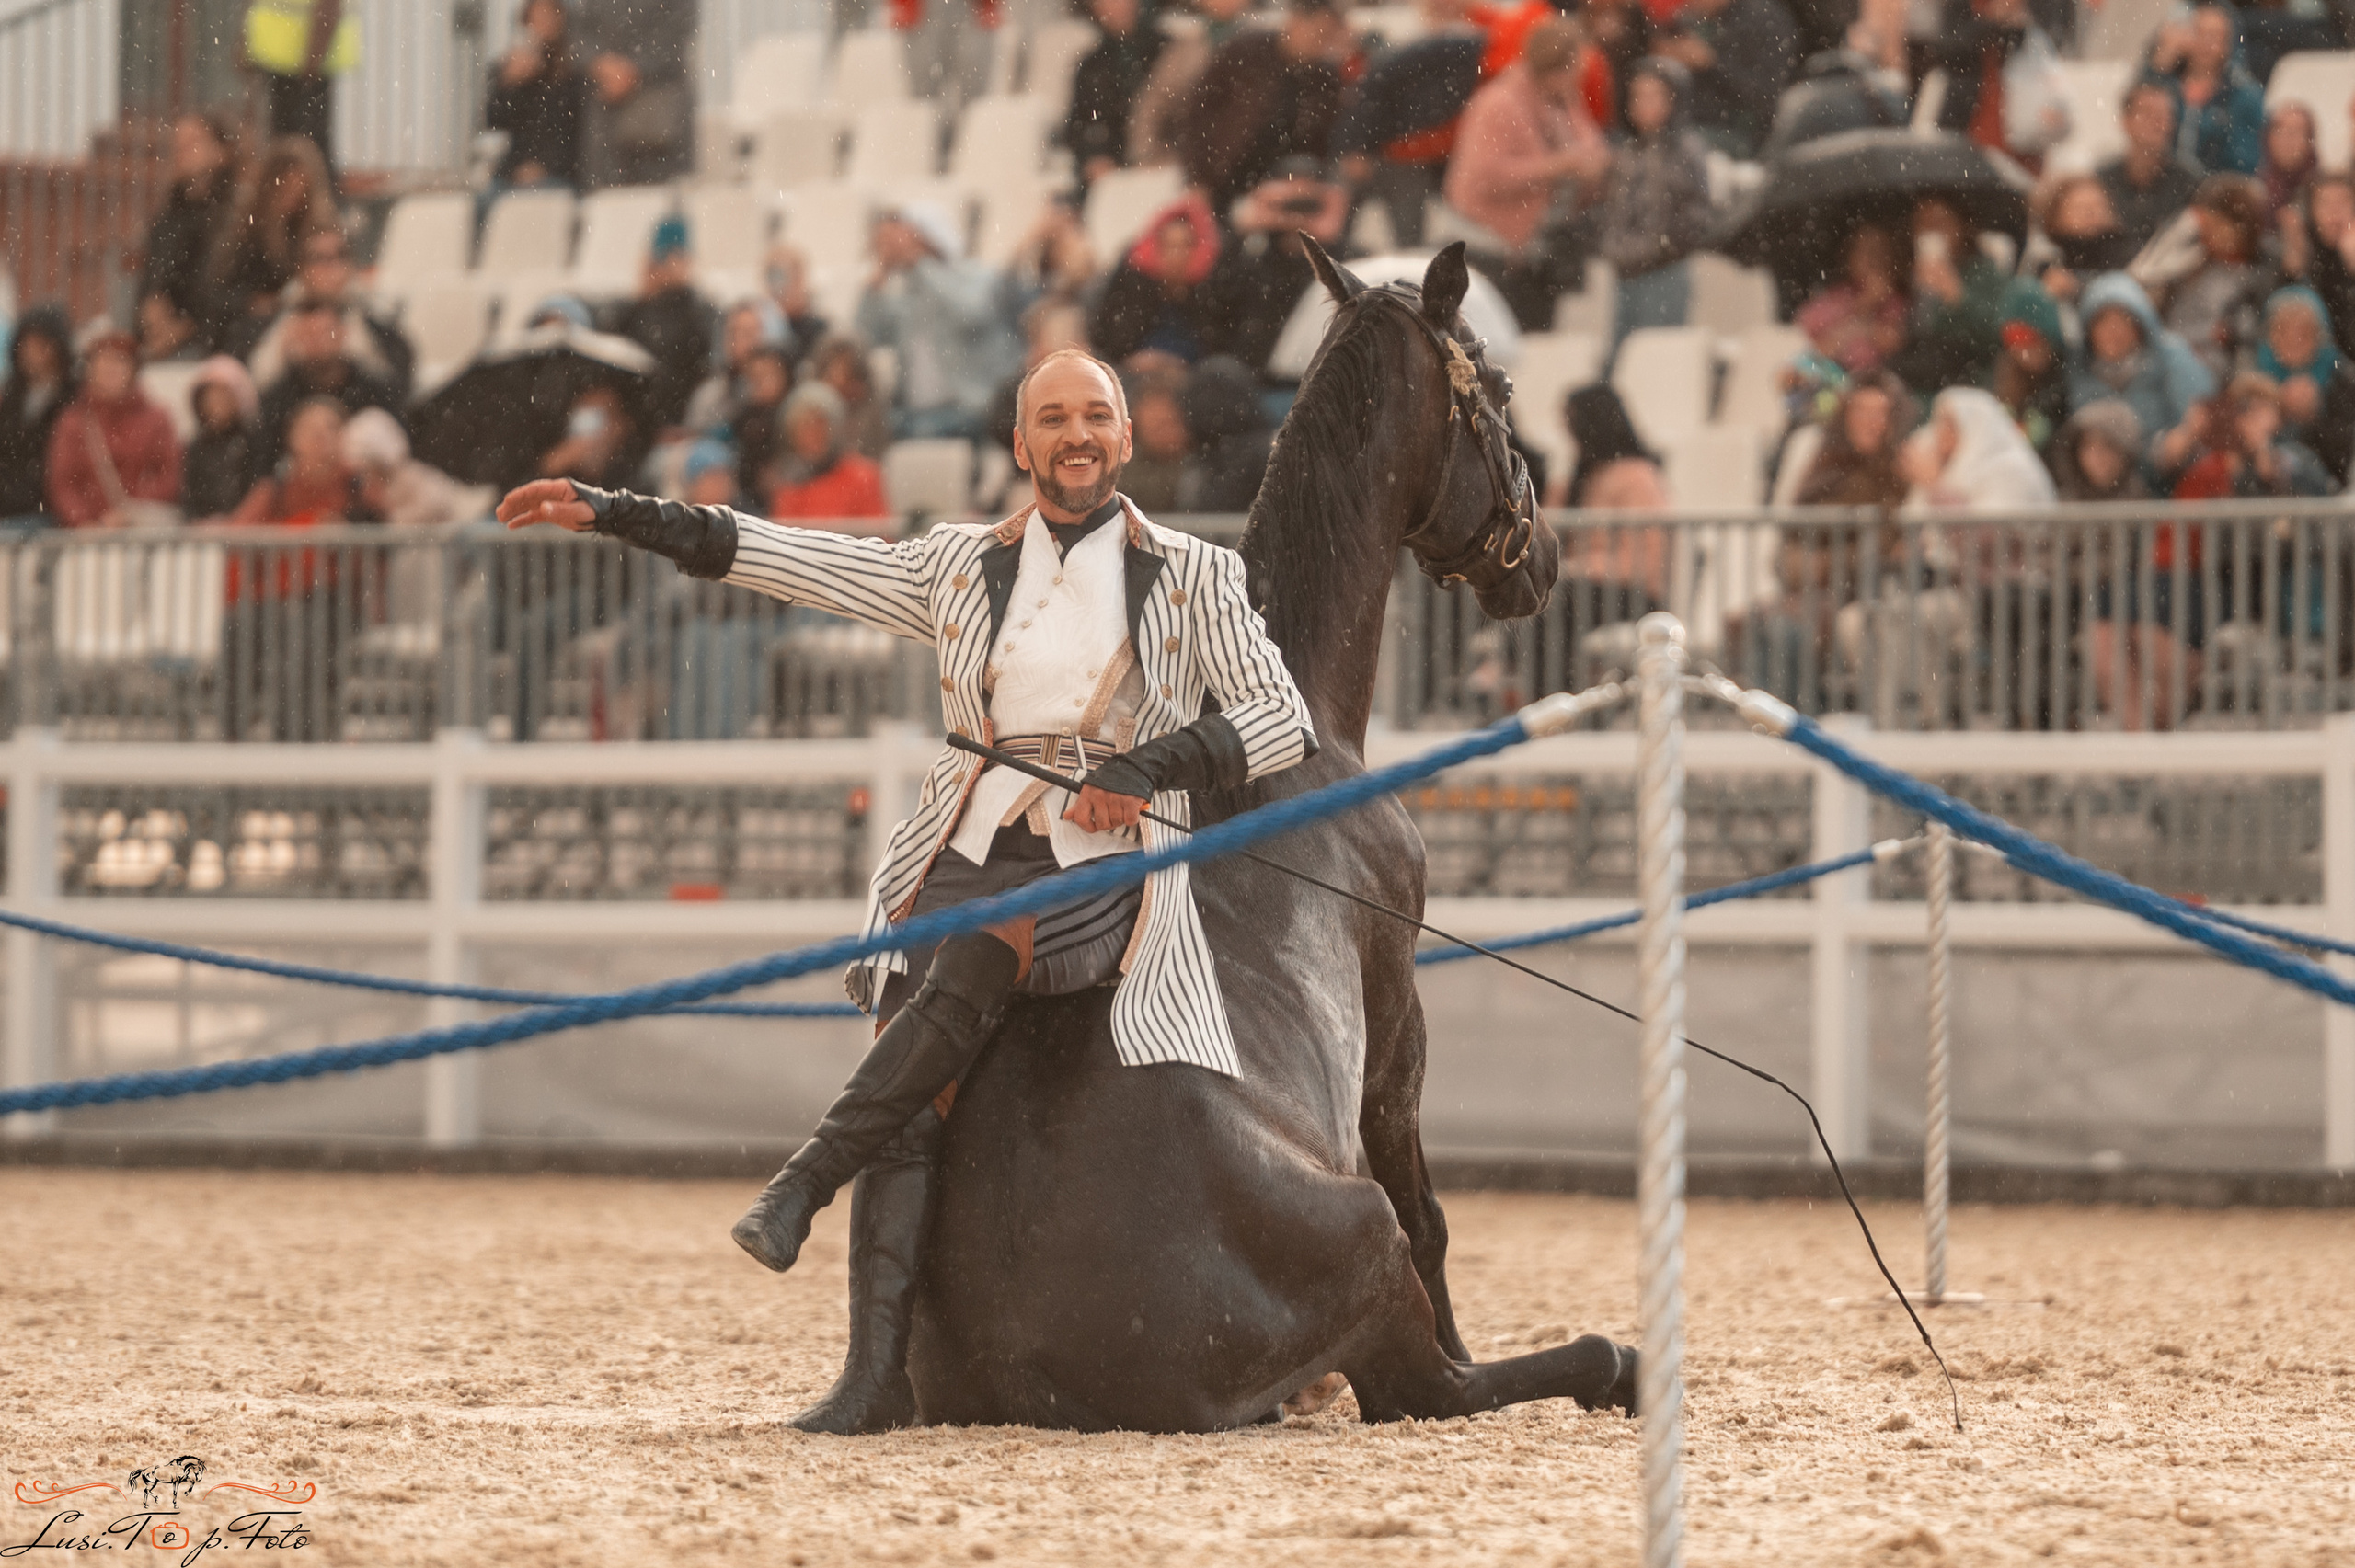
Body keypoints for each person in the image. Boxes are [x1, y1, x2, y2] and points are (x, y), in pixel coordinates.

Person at [495, 345, 1318, 1435]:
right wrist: (618, 513)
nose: (1076, 434)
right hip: (964, 839)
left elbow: (1282, 719)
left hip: (1108, 856)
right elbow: (789, 559)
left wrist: (1153, 764)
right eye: (1053, 418)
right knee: (912, 1064)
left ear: (1124, 435)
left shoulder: (1197, 573)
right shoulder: (957, 563)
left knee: (982, 940)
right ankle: (872, 1373)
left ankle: (804, 1179)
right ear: (1020, 444)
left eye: (1096, 414)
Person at [1441, 16, 1610, 325]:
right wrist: (1561, 165)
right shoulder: (1497, 104)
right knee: (1496, 342)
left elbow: (1591, 147)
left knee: (1538, 342)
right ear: (1557, 67)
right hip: (1490, 252)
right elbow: (1484, 179)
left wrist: (1591, 164)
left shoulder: (1560, 102)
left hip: (1537, 253)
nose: (1580, 75)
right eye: (1575, 67)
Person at [854, 202, 1023, 441]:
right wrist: (880, 275)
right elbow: (864, 337)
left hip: (971, 413)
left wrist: (918, 262)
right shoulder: (909, 297)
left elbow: (972, 314)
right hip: (913, 417)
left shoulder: (977, 275)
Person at [1175, 0, 1352, 211]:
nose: (1321, 44)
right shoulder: (1245, 52)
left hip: (1285, 184)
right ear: (1296, 22)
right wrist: (1198, 177)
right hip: (1226, 173)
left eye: (1328, 37)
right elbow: (1198, 112)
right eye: (1318, 34)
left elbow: (1326, 138)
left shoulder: (1324, 77)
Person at [1197, 158, 1356, 375]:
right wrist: (1246, 227)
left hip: (1319, 372)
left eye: (1307, 203)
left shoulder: (1346, 258)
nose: (1296, 213)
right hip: (1254, 370)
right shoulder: (1250, 254)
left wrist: (1331, 232)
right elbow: (1213, 303)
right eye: (1287, 202)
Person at [1596, 59, 1713, 352]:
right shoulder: (1628, 152)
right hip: (1625, 271)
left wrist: (1664, 247)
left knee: (1658, 351)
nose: (1642, 106)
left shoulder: (1685, 151)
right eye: (1637, 97)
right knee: (1622, 352)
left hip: (1664, 270)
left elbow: (1696, 214)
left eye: (1652, 97)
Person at [203, 136, 338, 358]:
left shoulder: (318, 235)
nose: (293, 199)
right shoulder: (246, 234)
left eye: (300, 192)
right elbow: (217, 292)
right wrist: (252, 302)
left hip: (304, 327)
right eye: (286, 190)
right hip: (254, 332)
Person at [245, 226, 417, 397]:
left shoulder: (377, 322)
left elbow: (396, 390)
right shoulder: (272, 324)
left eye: (339, 256)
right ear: (302, 268)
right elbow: (251, 391)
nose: (330, 267)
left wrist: (344, 362)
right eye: (319, 258)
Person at [2068, 272, 2217, 464]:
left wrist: (2179, 441)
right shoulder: (2079, 369)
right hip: (2105, 476)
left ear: (2140, 326)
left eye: (2122, 320)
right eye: (2102, 321)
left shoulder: (2170, 357)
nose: (2113, 331)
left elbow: (2200, 416)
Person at [44, 323, 182, 529]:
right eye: (103, 361)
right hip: (90, 537)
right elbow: (62, 484)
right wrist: (83, 522)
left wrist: (128, 513)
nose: (110, 368)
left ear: (133, 369)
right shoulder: (73, 422)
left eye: (120, 360)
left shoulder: (157, 419)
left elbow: (169, 478)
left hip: (143, 532)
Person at [254, 297, 405, 474]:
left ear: (343, 333)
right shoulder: (279, 398)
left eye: (326, 332)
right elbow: (264, 462)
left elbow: (398, 454)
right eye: (309, 334)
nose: (318, 341)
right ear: (295, 337)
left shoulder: (375, 391)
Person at [2147, 174, 2273, 383]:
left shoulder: (2261, 273)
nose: (2208, 232)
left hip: (2232, 373)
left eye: (2217, 224)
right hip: (2179, 364)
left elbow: (2246, 334)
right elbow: (2145, 275)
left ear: (2241, 228)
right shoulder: (2192, 262)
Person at [1923, 0, 2071, 173]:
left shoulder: (2036, 16)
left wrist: (2017, 24)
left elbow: (2052, 37)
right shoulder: (1963, 8)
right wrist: (1992, 23)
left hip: (2020, 127)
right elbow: (1948, 52)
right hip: (1971, 121)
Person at [1888, 197, 2011, 396]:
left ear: (1960, 226)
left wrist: (1957, 296)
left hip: (1968, 378)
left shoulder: (1984, 272)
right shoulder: (1905, 277)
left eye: (1940, 224)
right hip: (1919, 379)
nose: (1932, 233)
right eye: (1923, 225)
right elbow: (1916, 334)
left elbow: (1996, 335)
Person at [139, 111, 244, 340]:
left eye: (193, 142)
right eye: (177, 144)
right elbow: (153, 281)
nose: (181, 150)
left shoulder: (239, 214)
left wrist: (185, 327)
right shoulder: (169, 216)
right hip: (165, 337)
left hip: (217, 337)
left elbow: (228, 289)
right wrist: (152, 308)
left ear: (222, 151)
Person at [1651, 0, 1801, 158]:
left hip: (1746, 131)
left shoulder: (1762, 19)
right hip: (1690, 124)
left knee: (1674, 149)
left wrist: (1711, 63)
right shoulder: (1690, 20)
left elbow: (1763, 94)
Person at [575, 0, 696, 188]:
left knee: (661, 195)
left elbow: (676, 30)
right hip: (604, 111)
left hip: (659, 114)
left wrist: (632, 70)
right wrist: (601, 64)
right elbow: (578, 32)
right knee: (606, 194)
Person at [1088, 196, 1222, 366]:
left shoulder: (1210, 290)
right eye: (1169, 246)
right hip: (1132, 372)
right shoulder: (1134, 285)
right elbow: (1110, 340)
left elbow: (1216, 346)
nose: (1176, 255)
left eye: (1184, 246)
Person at [617, 215, 718, 431]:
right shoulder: (635, 311)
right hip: (636, 417)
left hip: (680, 419)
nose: (666, 267)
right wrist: (643, 295)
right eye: (662, 260)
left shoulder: (701, 310)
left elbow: (706, 367)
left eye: (676, 258)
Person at [1130, 0, 1255, 170]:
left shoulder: (1262, 43)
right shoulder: (1186, 46)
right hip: (1186, 155)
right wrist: (1145, 151)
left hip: (1246, 155)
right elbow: (1154, 102)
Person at [2145, 1, 2268, 177]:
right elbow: (2137, 123)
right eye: (2199, 33)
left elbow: (2242, 164)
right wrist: (2160, 64)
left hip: (2217, 188)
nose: (2207, 43)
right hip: (2160, 185)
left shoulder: (2244, 95)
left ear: (2229, 43)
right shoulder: (2164, 85)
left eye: (2216, 36)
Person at [242, 0, 355, 177]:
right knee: (284, 147)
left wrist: (313, 61)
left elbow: (328, 7)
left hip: (301, 67)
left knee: (304, 149)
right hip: (279, 63)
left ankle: (315, 191)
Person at [1896, 384, 2056, 509]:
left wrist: (1933, 484)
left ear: (1976, 427)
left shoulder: (2011, 469)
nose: (1940, 434)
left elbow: (1985, 531)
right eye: (1939, 423)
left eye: (1951, 425)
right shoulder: (1946, 467)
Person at [1062, 0, 1167, 185]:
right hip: (1112, 172)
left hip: (1160, 165)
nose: (1119, 6)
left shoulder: (1168, 52)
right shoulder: (1091, 66)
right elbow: (1080, 127)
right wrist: (1094, 156)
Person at [486, 0, 588, 191]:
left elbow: (572, 132)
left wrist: (544, 167)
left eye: (548, 16)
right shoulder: (513, 66)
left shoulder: (572, 72)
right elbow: (493, 120)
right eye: (536, 18)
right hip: (513, 172)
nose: (542, 25)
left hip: (559, 174)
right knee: (484, 201)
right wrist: (509, 83)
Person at [2095, 82, 2208, 255]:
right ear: (2125, 121)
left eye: (2165, 115)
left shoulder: (2189, 181)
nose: (2158, 122)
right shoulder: (2102, 180)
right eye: (2147, 113)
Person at [343, 406, 493, 528]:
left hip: (469, 525)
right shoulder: (377, 486)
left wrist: (398, 521)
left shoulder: (407, 474)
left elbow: (436, 502)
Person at [1798, 223, 1911, 374]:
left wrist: (1875, 303)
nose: (1869, 261)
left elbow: (1891, 342)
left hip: (1874, 376)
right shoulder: (1841, 293)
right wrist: (1863, 304)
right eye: (1862, 253)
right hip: (1834, 373)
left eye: (1876, 254)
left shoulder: (1897, 301)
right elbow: (1810, 326)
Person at [766, 383, 890, 521]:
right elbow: (783, 531)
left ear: (835, 429)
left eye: (819, 425)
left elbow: (878, 531)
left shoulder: (863, 476)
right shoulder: (788, 484)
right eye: (804, 427)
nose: (812, 435)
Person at [1794, 370, 1914, 508]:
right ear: (1845, 415)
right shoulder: (1820, 457)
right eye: (1861, 411)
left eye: (1879, 413)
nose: (1870, 422)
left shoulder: (1904, 468)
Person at [0, 306, 73, 522]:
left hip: (50, 507)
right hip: (9, 503)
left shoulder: (72, 395)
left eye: (39, 345)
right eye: (26, 345)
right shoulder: (11, 395)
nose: (30, 353)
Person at [1989, 279, 2068, 453]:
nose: (2020, 347)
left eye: (2026, 336)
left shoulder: (2067, 373)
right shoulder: (2008, 371)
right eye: (2011, 338)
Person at [2033, 175, 2136, 306]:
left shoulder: (2128, 257)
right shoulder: (2045, 259)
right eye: (2080, 208)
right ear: (2056, 216)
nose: (2091, 214)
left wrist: (2079, 289)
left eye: (2099, 206)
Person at [2283, 172, 2355, 360]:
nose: (2334, 212)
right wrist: (2294, 267)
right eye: (2325, 203)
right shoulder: (2301, 248)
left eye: (2343, 202)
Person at [183, 356, 262, 520]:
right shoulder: (197, 447)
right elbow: (189, 496)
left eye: (223, 396)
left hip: (247, 526)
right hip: (203, 528)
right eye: (210, 398)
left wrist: (236, 521)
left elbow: (259, 491)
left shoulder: (255, 442)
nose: (215, 405)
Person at [2050, 398, 2149, 501]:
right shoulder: (2061, 505)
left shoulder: (2148, 504)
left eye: (2107, 445)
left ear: (2125, 452)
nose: (2097, 455)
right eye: (2087, 445)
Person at [2257, 101, 2319, 218]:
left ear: (2310, 141)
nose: (2286, 140)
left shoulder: (2323, 192)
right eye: (2279, 131)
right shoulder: (2254, 189)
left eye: (2295, 132)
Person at [137, 290, 207, 364]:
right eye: (148, 326)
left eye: (162, 323)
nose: (154, 332)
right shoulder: (141, 362)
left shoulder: (196, 360)